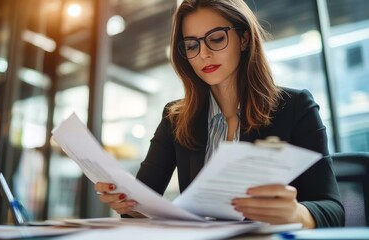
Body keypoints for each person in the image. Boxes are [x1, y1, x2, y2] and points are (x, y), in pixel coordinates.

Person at [95, 0, 344, 228]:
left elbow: (333, 211)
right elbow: (140, 206)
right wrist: (128, 203)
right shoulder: (175, 118)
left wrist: (296, 213)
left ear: (244, 39)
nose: (203, 54)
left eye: (215, 39)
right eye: (191, 45)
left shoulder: (295, 107)